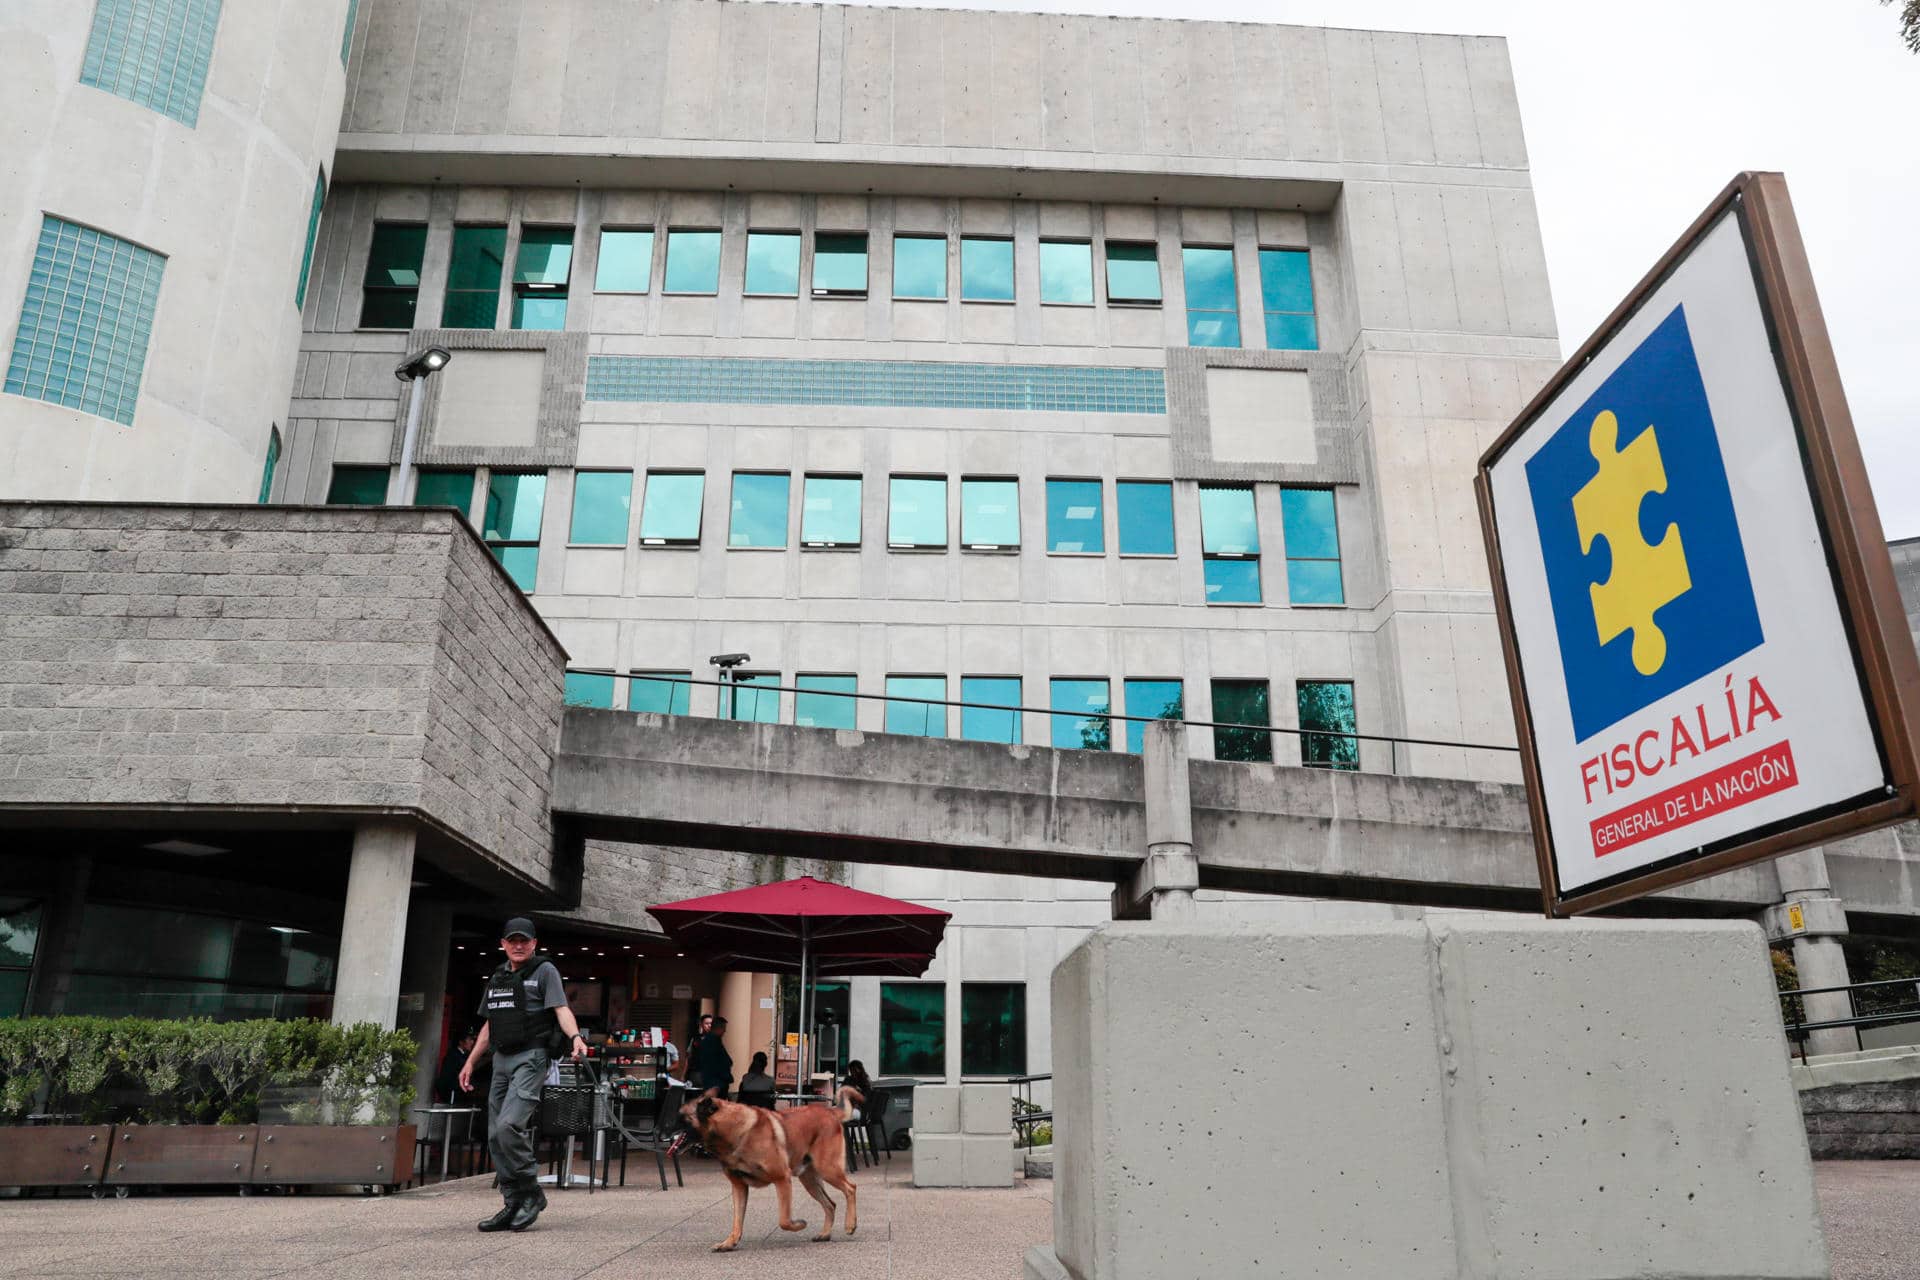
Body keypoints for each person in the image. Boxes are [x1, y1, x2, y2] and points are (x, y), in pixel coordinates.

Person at [459, 917, 588, 1234]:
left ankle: (531, 1191)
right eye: (512, 940)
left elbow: (561, 1009)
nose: (518, 946)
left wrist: (576, 1038)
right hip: (501, 1059)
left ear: (534, 944)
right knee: (493, 1135)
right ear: (503, 943)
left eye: (524, 941)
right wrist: (471, 1062)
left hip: (531, 1056)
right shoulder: (498, 977)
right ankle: (512, 1201)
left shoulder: (545, 971)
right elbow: (489, 1026)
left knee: (508, 1126)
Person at [693, 1013, 734, 1100]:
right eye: (723, 1028)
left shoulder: (713, 1041)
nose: (724, 1031)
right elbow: (714, 1063)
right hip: (715, 1082)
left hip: (714, 1081)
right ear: (718, 1028)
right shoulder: (712, 1041)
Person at [434, 1029, 477, 1103]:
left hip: (462, 1094)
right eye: (469, 1039)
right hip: (452, 1094)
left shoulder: (466, 1056)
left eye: (472, 1039)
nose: (472, 1042)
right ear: (461, 1042)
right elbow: (446, 1078)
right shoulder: (453, 1056)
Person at [684, 1012, 714, 1088]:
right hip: (695, 1073)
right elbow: (688, 1058)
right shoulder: (695, 1039)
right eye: (707, 1023)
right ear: (701, 1024)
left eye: (711, 1023)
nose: (709, 1026)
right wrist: (683, 1075)